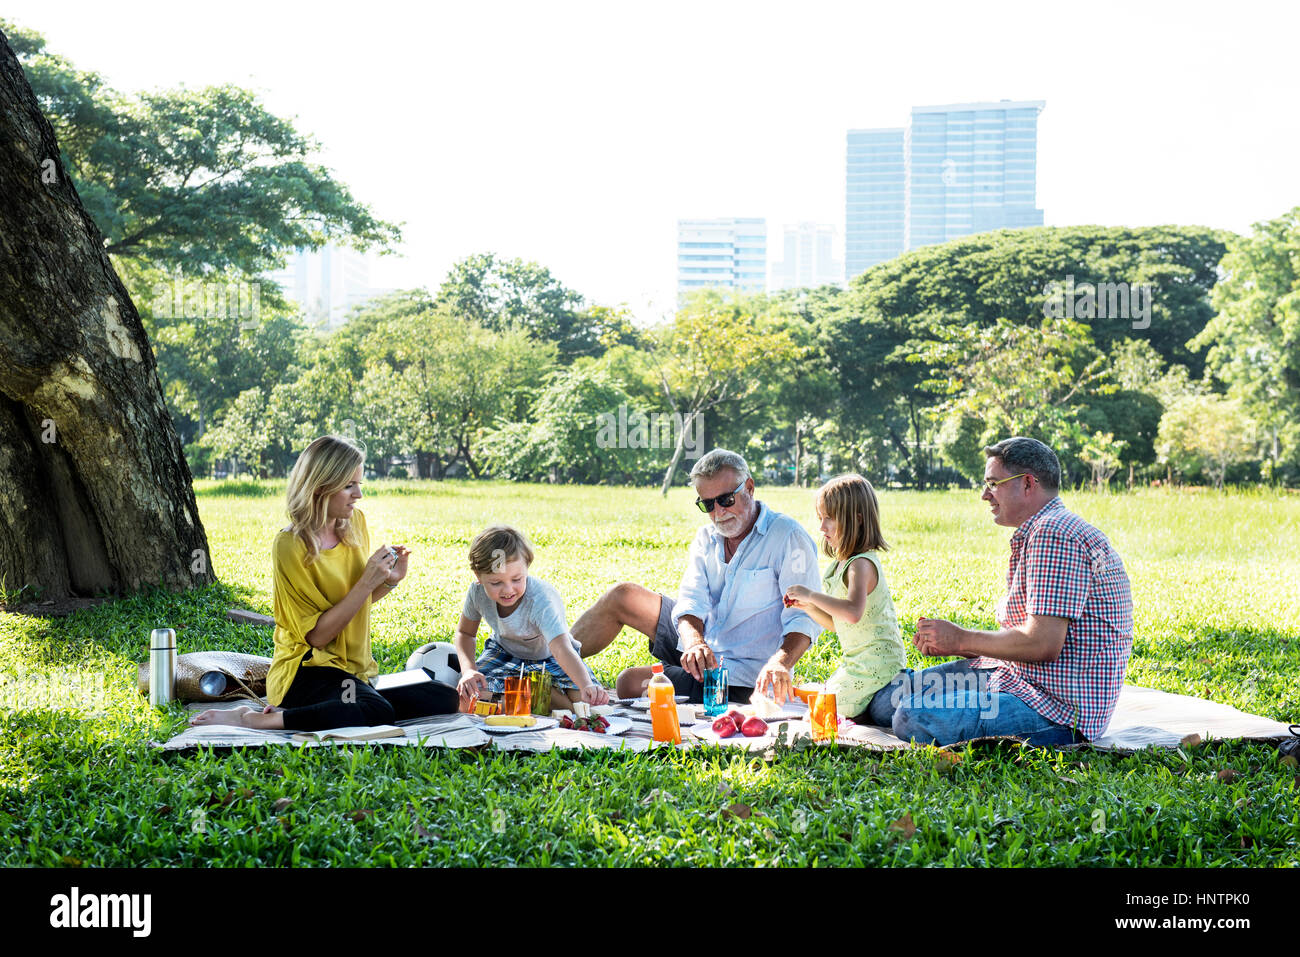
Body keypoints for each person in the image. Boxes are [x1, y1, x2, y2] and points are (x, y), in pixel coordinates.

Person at [873, 436, 1133, 746]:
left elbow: (1042, 644)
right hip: (1012, 677)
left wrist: (960, 638)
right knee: (886, 699)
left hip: (1053, 707)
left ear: (1027, 484)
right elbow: (1022, 635)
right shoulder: (1040, 530)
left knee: (912, 715)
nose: (985, 495)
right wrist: (956, 645)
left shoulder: (1056, 534)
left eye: (994, 484)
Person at [190, 435, 459, 730]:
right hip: (307, 669)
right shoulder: (290, 545)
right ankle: (257, 719)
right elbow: (317, 637)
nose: (358, 495)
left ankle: (336, 708)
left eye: (359, 484)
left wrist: (389, 582)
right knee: (375, 710)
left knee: (443, 698)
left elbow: (351, 604)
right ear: (320, 487)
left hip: (351, 670)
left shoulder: (356, 524)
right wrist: (367, 582)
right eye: (348, 485)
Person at [572, 448, 822, 704]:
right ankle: (549, 662)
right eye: (708, 504)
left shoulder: (787, 536)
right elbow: (692, 599)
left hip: (740, 674)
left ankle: (682, 682)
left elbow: (804, 617)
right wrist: (693, 642)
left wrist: (779, 664)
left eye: (725, 500)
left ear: (749, 487)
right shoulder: (707, 537)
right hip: (701, 639)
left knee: (628, 682)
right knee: (623, 596)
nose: (718, 512)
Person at [782, 473, 908, 723]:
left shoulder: (861, 565)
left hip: (878, 664)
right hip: (857, 663)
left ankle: (861, 715)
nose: (822, 527)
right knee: (818, 705)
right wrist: (808, 607)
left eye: (829, 518)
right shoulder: (840, 565)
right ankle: (860, 713)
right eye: (820, 518)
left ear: (857, 519)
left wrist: (811, 594)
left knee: (821, 714)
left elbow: (852, 612)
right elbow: (838, 623)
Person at [454, 525, 610, 711]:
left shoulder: (539, 599)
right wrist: (469, 670)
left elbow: (561, 648)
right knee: (465, 701)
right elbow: (465, 633)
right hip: (505, 654)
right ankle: (539, 696)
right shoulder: (477, 592)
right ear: (478, 576)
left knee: (588, 705)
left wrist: (586, 685)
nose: (508, 590)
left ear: (527, 567)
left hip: (552, 657)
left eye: (517, 579)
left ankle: (538, 697)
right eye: (496, 583)